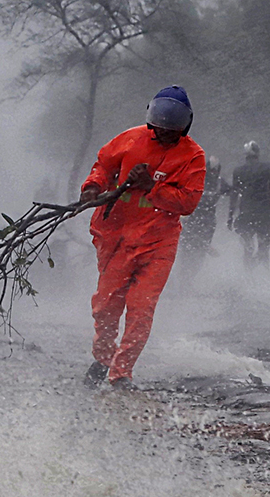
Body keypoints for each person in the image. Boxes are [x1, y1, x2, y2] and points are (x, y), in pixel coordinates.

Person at [79, 86, 207, 389]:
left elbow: (188, 203)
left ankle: (121, 373)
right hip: (116, 237)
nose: (164, 135)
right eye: (160, 128)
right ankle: (102, 359)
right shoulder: (130, 138)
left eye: (171, 131)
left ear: (184, 127)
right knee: (106, 306)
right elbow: (103, 166)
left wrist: (152, 186)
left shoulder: (194, 156)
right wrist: (92, 187)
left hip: (158, 243)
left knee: (141, 308)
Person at [227, 141, 270, 267]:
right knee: (264, 247)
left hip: (246, 213)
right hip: (263, 212)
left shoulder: (239, 171)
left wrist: (230, 216)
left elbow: (234, 194)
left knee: (247, 249)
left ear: (245, 155)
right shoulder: (267, 168)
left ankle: (248, 277)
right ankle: (264, 277)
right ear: (258, 153)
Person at [178, 159, 224, 269]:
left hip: (204, 221)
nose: (213, 173)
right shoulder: (200, 181)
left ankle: (189, 273)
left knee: (196, 253)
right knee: (188, 249)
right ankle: (184, 274)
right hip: (195, 220)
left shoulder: (218, 182)